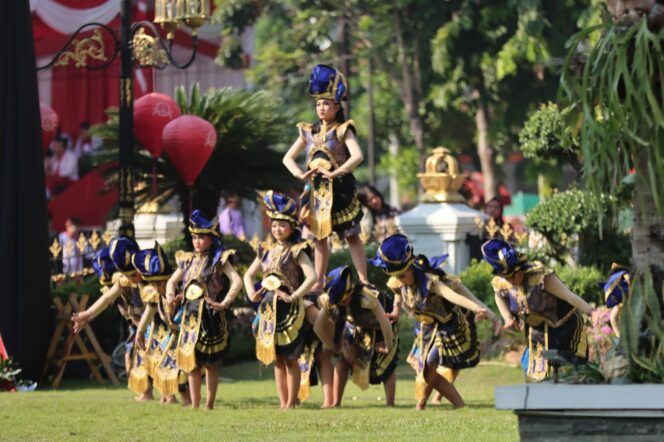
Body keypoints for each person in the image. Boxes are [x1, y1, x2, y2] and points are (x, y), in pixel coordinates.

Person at [370, 234, 500, 410]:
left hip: (447, 326)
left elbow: (454, 296)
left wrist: (480, 310)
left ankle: (423, 404)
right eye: (397, 276)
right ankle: (454, 405)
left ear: (411, 268)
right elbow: (397, 293)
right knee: (423, 367)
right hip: (424, 327)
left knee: (430, 362)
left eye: (402, 275)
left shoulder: (431, 282)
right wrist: (395, 310)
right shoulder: (399, 281)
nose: (399, 279)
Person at [282, 64, 366, 292]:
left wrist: (336, 172)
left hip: (340, 189)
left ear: (337, 105)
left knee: (351, 235)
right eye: (318, 103)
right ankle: (318, 281)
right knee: (319, 237)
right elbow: (288, 158)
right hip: (316, 191)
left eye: (326, 103)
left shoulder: (342, 129)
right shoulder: (308, 131)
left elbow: (357, 156)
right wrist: (300, 174)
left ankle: (364, 279)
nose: (321, 108)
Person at [243, 191, 320, 409]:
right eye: (274, 225)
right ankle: (283, 402)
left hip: (290, 310)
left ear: (292, 227)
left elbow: (312, 276)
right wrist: (251, 293)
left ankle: (292, 402)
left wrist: (295, 295)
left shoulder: (298, 250)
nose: (277, 229)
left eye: (282, 225)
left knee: (291, 358)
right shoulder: (265, 250)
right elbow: (249, 275)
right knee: (277, 359)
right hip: (269, 308)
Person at [482, 239, 592, 381]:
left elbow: (569, 296)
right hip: (537, 331)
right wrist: (507, 317)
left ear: (520, 268)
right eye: (507, 277)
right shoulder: (504, 282)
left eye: (514, 275)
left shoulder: (541, 278)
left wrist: (592, 312)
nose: (512, 280)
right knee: (537, 371)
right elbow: (499, 296)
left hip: (564, 327)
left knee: (568, 371)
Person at [166, 210, 243, 410]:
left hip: (210, 316)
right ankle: (194, 405)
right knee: (192, 363)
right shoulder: (187, 260)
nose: (197, 241)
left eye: (201, 237)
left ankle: (209, 404)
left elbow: (237, 281)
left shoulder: (218, 260)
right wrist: (171, 298)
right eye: (194, 237)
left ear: (211, 239)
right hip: (189, 316)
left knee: (210, 364)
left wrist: (224, 303)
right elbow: (172, 282)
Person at [71, 237, 150, 400]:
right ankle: (146, 393)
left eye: (134, 274)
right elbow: (106, 299)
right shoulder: (122, 281)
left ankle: (170, 396)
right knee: (133, 358)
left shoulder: (150, 274)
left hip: (156, 325)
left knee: (160, 361)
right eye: (129, 275)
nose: (133, 278)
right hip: (137, 326)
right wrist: (87, 314)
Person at [314, 266, 398, 407]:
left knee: (387, 365)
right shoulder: (331, 299)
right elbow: (318, 326)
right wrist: (331, 344)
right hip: (354, 327)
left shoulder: (368, 297)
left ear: (351, 292)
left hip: (380, 327)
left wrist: (388, 346)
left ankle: (390, 403)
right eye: (338, 302)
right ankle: (336, 402)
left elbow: (385, 324)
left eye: (344, 300)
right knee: (342, 360)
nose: (341, 303)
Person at [132, 242, 191, 406]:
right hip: (170, 339)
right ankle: (170, 398)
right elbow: (149, 312)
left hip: (184, 338)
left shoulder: (180, 294)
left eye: (160, 284)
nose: (156, 288)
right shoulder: (156, 297)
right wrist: (139, 332)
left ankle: (189, 402)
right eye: (153, 284)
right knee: (163, 365)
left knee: (180, 373)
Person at [600, 263, 630, 338]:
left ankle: (621, 340)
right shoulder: (620, 277)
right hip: (622, 301)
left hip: (627, 300)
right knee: (613, 318)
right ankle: (621, 340)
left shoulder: (625, 276)